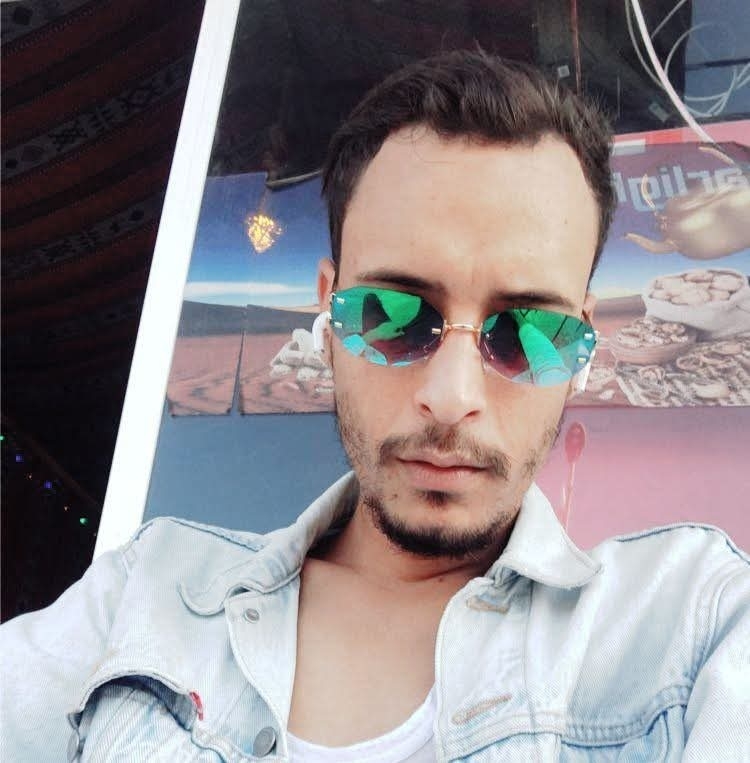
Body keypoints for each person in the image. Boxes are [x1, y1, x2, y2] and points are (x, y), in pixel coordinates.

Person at [1, 50, 748, 762]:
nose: (451, 398)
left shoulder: (692, 625)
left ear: (581, 338)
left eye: (527, 333)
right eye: (393, 316)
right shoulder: (145, 594)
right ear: (327, 316)